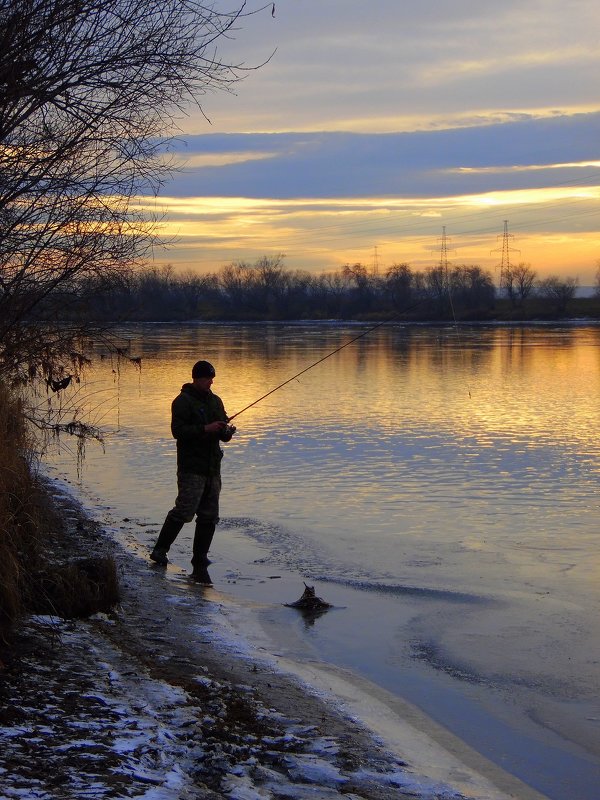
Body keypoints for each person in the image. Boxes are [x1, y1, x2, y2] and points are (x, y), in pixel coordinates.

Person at [150, 360, 236, 583]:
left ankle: (200, 558)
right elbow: (178, 431)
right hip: (191, 467)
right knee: (184, 511)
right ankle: (160, 550)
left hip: (212, 468)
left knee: (209, 516)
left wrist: (226, 431)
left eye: (212, 378)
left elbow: (223, 436)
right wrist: (205, 428)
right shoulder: (182, 401)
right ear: (196, 378)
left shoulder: (216, 401)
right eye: (207, 378)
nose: (211, 381)